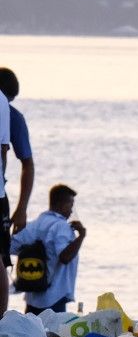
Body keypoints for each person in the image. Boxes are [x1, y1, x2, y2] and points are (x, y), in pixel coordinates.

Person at [10, 184, 85, 314]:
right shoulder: (61, 226)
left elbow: (10, 246)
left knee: (32, 333)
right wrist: (81, 236)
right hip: (55, 298)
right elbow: (64, 257)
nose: (72, 211)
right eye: (70, 205)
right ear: (62, 204)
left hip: (32, 295)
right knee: (52, 334)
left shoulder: (35, 224)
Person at [1, 69, 34, 309]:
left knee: (1, 258)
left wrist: (22, 208)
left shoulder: (12, 116)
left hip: (0, 194)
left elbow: (27, 163)